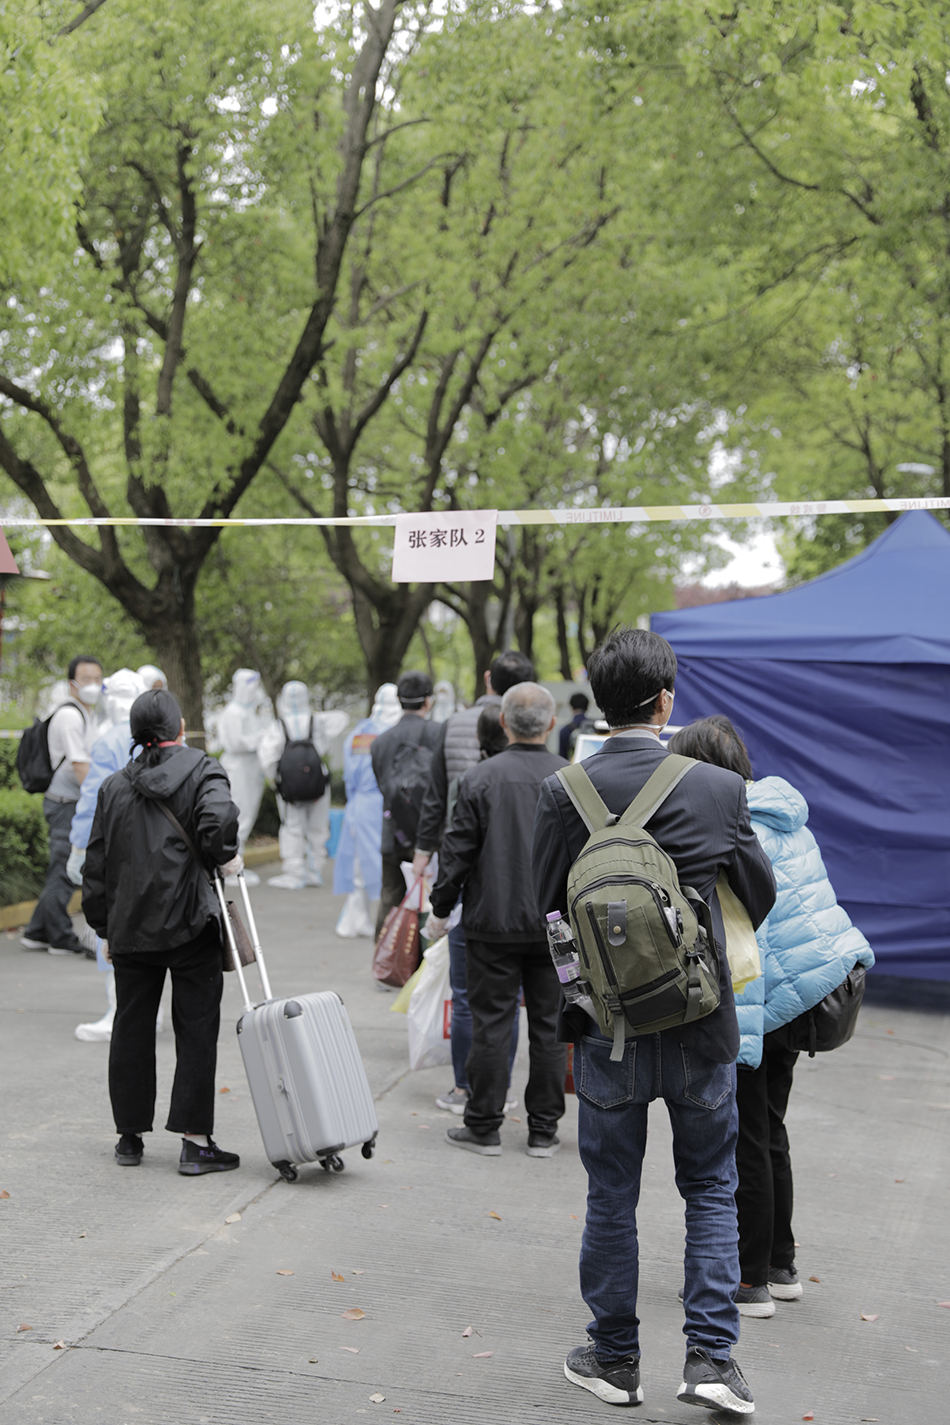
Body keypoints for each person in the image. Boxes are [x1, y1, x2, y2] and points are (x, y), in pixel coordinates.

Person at [532, 627, 776, 1416]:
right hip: (703, 1025)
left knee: (612, 1193)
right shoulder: (715, 788)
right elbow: (760, 895)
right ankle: (711, 1358)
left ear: (599, 705)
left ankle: (614, 1359)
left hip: (609, 1034)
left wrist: (587, 996)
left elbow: (544, 915)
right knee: (709, 1187)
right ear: (666, 700)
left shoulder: (561, 791)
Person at [669, 715, 874, 1319]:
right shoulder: (782, 811)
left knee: (745, 1137)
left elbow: (747, 933)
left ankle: (750, 1279)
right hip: (804, 990)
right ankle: (781, 1264)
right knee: (770, 1128)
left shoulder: (733, 826)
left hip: (767, 997)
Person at [82, 689, 243, 1174]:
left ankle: (129, 1138)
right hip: (191, 921)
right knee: (196, 1027)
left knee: (131, 1027)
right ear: (180, 726)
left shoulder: (113, 786)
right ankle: (195, 1143)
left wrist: (104, 926)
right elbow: (217, 823)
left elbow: (96, 866)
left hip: (130, 926)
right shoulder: (203, 770)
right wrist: (223, 854)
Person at [426, 682, 568, 1158]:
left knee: (492, 1023)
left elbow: (457, 853)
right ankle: (543, 1131)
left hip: (492, 922)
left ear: (503, 722)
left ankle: (485, 1125)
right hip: (555, 926)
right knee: (550, 1027)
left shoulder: (480, 779)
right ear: (550, 724)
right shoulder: (572, 780)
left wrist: (441, 909)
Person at [412, 651, 535, 1112]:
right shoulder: (537, 738)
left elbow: (435, 795)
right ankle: (500, 1088)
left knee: (465, 992)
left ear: (487, 678)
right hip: (521, 873)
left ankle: (466, 1087)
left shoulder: (453, 724)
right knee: (516, 997)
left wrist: (426, 856)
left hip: (461, 866)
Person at [67, 668, 149, 1042]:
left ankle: (120, 1013)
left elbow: (91, 801)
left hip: (115, 849)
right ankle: (150, 1013)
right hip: (153, 852)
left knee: (112, 932)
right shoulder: (160, 741)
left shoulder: (109, 740)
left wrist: (79, 846)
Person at [21, 656, 103, 957]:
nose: (93, 685)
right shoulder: (70, 716)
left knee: (62, 866)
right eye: (86, 679)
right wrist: (100, 800)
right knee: (66, 870)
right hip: (66, 803)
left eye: (97, 678)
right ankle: (59, 937)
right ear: (72, 684)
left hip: (70, 801)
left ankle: (35, 932)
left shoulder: (86, 713)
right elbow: (80, 766)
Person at [369, 671, 442, 935]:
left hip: (394, 832)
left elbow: (382, 786)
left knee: (391, 897)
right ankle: (426, 965)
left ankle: (387, 962)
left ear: (399, 700)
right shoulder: (439, 734)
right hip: (432, 835)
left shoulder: (380, 743)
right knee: (433, 901)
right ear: (428, 702)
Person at [258, 681, 348, 890]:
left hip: (290, 787)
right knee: (318, 827)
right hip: (318, 783)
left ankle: (294, 872)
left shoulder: (278, 725)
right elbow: (341, 719)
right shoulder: (317, 721)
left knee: (292, 828)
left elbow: (267, 757)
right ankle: (314, 871)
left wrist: (275, 782)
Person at [333, 685, 400, 939]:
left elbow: (349, 776)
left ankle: (353, 921)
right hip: (381, 805)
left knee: (359, 864)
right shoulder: (392, 732)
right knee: (386, 865)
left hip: (357, 804)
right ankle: (385, 922)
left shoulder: (359, 732)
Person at [217, 669, 269, 887]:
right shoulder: (234, 712)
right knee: (239, 816)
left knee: (247, 814)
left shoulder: (249, 712)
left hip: (250, 768)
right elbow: (237, 742)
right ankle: (230, 866)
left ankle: (237, 862)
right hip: (238, 768)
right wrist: (260, 738)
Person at [559, 691, 594, 760]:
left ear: (571, 708)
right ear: (587, 708)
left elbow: (562, 757)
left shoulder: (565, 730)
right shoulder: (595, 726)